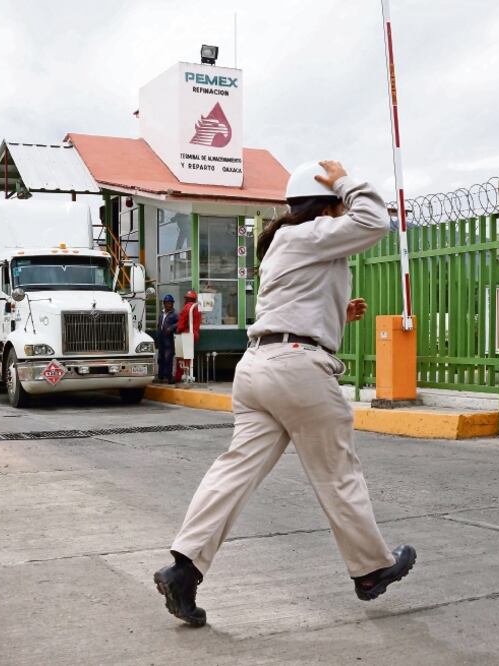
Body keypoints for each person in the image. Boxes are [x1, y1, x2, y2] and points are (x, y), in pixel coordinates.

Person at [153, 160, 416, 628]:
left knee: (234, 471)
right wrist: (344, 180)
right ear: (327, 204)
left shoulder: (285, 242)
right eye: (337, 203)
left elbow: (294, 304)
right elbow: (376, 221)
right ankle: (372, 569)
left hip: (258, 367)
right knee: (336, 472)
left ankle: (184, 568)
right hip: (296, 369)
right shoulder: (313, 232)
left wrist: (339, 314)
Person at [174, 290, 201, 383]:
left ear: (188, 299)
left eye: (186, 298)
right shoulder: (197, 308)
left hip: (186, 334)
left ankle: (180, 377)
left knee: (181, 357)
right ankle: (188, 374)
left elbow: (181, 323)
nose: (185, 299)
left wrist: (177, 330)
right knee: (188, 357)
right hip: (194, 334)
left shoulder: (187, 307)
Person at [155, 294, 178, 384]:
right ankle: (161, 376)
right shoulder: (162, 314)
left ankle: (169, 377)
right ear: (164, 304)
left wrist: (171, 328)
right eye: (166, 303)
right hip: (161, 339)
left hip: (168, 339)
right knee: (160, 358)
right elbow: (159, 325)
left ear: (172, 304)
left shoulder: (175, 314)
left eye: (170, 303)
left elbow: (179, 323)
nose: (168, 305)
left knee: (168, 358)